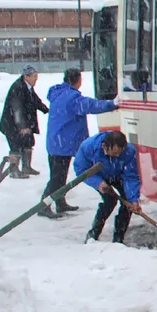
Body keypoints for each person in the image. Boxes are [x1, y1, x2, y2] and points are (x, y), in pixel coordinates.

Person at [41, 68, 118, 219]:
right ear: (78, 80)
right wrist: (112, 104)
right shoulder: (72, 98)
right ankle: (43, 206)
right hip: (63, 143)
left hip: (56, 142)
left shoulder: (58, 94)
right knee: (57, 178)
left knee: (58, 175)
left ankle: (60, 201)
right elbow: (91, 105)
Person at [74, 130, 142, 244]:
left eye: (119, 153)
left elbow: (130, 176)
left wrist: (133, 199)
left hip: (119, 175)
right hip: (99, 176)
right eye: (114, 153)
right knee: (109, 201)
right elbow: (82, 170)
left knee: (127, 204)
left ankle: (119, 236)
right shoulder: (89, 147)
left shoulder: (129, 151)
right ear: (104, 146)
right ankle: (94, 232)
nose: (117, 156)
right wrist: (98, 183)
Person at [0, 64, 48, 179]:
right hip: (12, 124)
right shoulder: (18, 87)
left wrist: (46, 110)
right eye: (34, 76)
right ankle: (14, 171)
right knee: (16, 146)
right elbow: (17, 109)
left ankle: (26, 167)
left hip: (24, 123)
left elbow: (35, 101)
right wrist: (23, 126)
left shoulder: (28, 87)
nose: (36, 79)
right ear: (26, 76)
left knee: (28, 143)